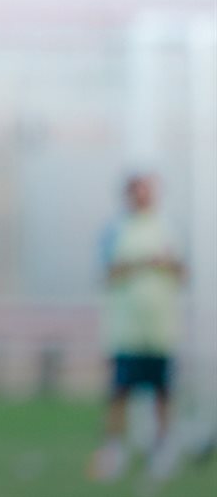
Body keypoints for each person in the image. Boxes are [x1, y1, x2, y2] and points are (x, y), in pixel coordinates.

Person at [91, 170, 186, 483]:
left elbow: (182, 272)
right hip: (126, 330)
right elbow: (105, 273)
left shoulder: (168, 228)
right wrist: (139, 263)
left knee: (162, 393)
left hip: (160, 330)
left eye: (148, 190)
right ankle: (113, 451)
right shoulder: (115, 229)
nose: (142, 197)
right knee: (120, 393)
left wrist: (166, 264)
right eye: (137, 191)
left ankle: (163, 450)